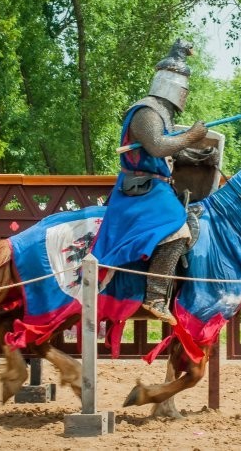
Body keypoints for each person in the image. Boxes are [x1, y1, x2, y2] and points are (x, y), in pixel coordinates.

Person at [91, 39, 209, 325]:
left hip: (155, 186)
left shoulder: (161, 114)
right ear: (171, 85)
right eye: (183, 88)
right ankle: (155, 297)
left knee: (195, 214)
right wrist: (192, 136)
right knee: (177, 226)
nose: (185, 94)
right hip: (140, 189)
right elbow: (157, 146)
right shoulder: (146, 111)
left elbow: (169, 147)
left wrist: (195, 153)